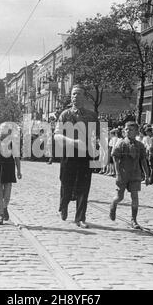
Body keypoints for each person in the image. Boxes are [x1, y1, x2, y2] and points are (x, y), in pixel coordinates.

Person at [54, 84, 99, 228]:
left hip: (85, 155)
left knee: (84, 186)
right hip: (68, 154)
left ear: (84, 97)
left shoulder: (91, 115)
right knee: (66, 183)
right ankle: (64, 205)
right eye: (73, 94)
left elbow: (98, 136)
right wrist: (72, 141)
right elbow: (57, 135)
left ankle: (80, 217)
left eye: (79, 94)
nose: (76, 96)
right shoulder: (65, 115)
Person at [110, 121, 150, 229]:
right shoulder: (121, 143)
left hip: (135, 174)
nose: (128, 131)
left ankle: (134, 220)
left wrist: (147, 175)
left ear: (136, 132)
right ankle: (113, 204)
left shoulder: (140, 145)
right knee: (119, 197)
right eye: (126, 129)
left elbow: (143, 160)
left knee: (135, 197)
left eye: (131, 130)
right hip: (123, 174)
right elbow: (115, 158)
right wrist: (117, 174)